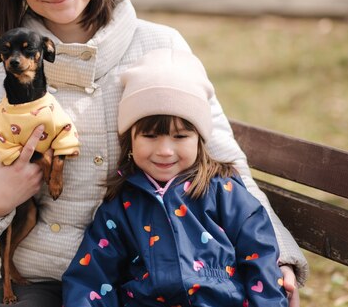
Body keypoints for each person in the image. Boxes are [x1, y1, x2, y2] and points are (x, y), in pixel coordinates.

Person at [0, 0, 307, 307]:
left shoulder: (160, 46)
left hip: (158, 279)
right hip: (40, 282)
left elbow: (227, 165)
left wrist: (279, 259)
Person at [62, 49, 289, 306]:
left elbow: (260, 259)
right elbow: (91, 277)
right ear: (130, 140)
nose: (165, 150)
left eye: (180, 137)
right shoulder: (120, 207)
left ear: (200, 139)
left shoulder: (225, 193)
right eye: (150, 136)